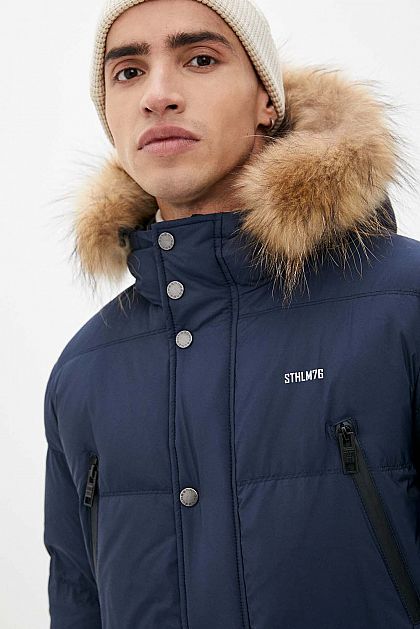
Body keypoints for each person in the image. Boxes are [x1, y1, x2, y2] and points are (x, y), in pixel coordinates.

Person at [43, 0, 420, 627]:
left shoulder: (404, 304)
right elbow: (77, 598)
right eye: (128, 72)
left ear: (266, 100)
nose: (158, 96)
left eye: (199, 60)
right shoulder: (83, 372)